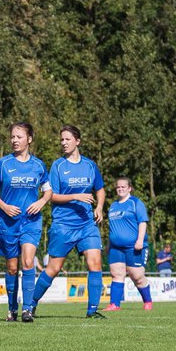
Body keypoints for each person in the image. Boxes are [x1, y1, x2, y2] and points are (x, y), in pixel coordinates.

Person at [29, 126, 107, 317]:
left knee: (95, 263)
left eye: (67, 139)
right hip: (63, 225)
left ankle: (92, 311)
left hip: (87, 223)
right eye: (61, 140)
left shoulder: (90, 165)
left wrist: (99, 208)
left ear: (77, 141)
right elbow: (51, 196)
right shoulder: (57, 166)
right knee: (53, 268)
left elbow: (100, 189)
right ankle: (30, 304)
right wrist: (77, 196)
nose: (63, 143)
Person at [0, 122, 52, 322]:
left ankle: (28, 309)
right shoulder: (3, 164)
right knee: (12, 268)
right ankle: (12, 309)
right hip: (7, 223)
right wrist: (4, 207)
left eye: (19, 137)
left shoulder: (39, 165)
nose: (14, 140)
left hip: (31, 222)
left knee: (28, 261)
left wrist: (41, 201)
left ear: (29, 139)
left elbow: (48, 190)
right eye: (12, 137)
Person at [103, 177, 152, 311]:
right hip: (115, 248)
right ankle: (114, 304)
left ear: (129, 188)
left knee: (137, 276)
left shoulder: (135, 203)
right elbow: (113, 228)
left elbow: (142, 222)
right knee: (116, 274)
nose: (120, 189)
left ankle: (148, 301)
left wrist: (140, 240)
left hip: (133, 246)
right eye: (118, 187)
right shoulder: (113, 206)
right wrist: (108, 244)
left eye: (123, 187)